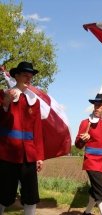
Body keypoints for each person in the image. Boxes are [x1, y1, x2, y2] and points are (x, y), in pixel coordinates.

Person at [0, 62, 44, 215]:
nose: (29, 78)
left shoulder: (34, 101)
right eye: (25, 75)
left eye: (31, 76)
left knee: (31, 196)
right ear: (16, 76)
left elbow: (37, 131)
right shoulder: (3, 94)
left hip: (29, 156)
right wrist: (5, 103)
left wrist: (39, 156)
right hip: (7, 155)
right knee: (4, 195)